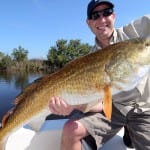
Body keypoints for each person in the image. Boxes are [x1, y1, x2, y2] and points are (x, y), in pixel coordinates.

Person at [49, 0, 150, 150]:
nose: (102, 19)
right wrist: (71, 105)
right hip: (114, 109)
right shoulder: (88, 61)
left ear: (114, 16)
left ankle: (131, 130)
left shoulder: (134, 32)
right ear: (89, 23)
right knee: (71, 130)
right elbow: (98, 105)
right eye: (95, 15)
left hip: (144, 108)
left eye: (107, 12)